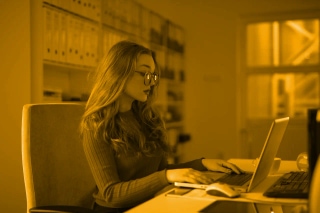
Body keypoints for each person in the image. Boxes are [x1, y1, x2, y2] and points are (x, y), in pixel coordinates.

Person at [80, 40, 242, 213]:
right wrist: (165, 177)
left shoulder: (147, 117)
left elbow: (161, 172)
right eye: (144, 73)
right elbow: (111, 193)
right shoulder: (96, 124)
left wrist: (202, 164)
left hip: (150, 205)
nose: (151, 82)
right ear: (118, 74)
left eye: (153, 75)